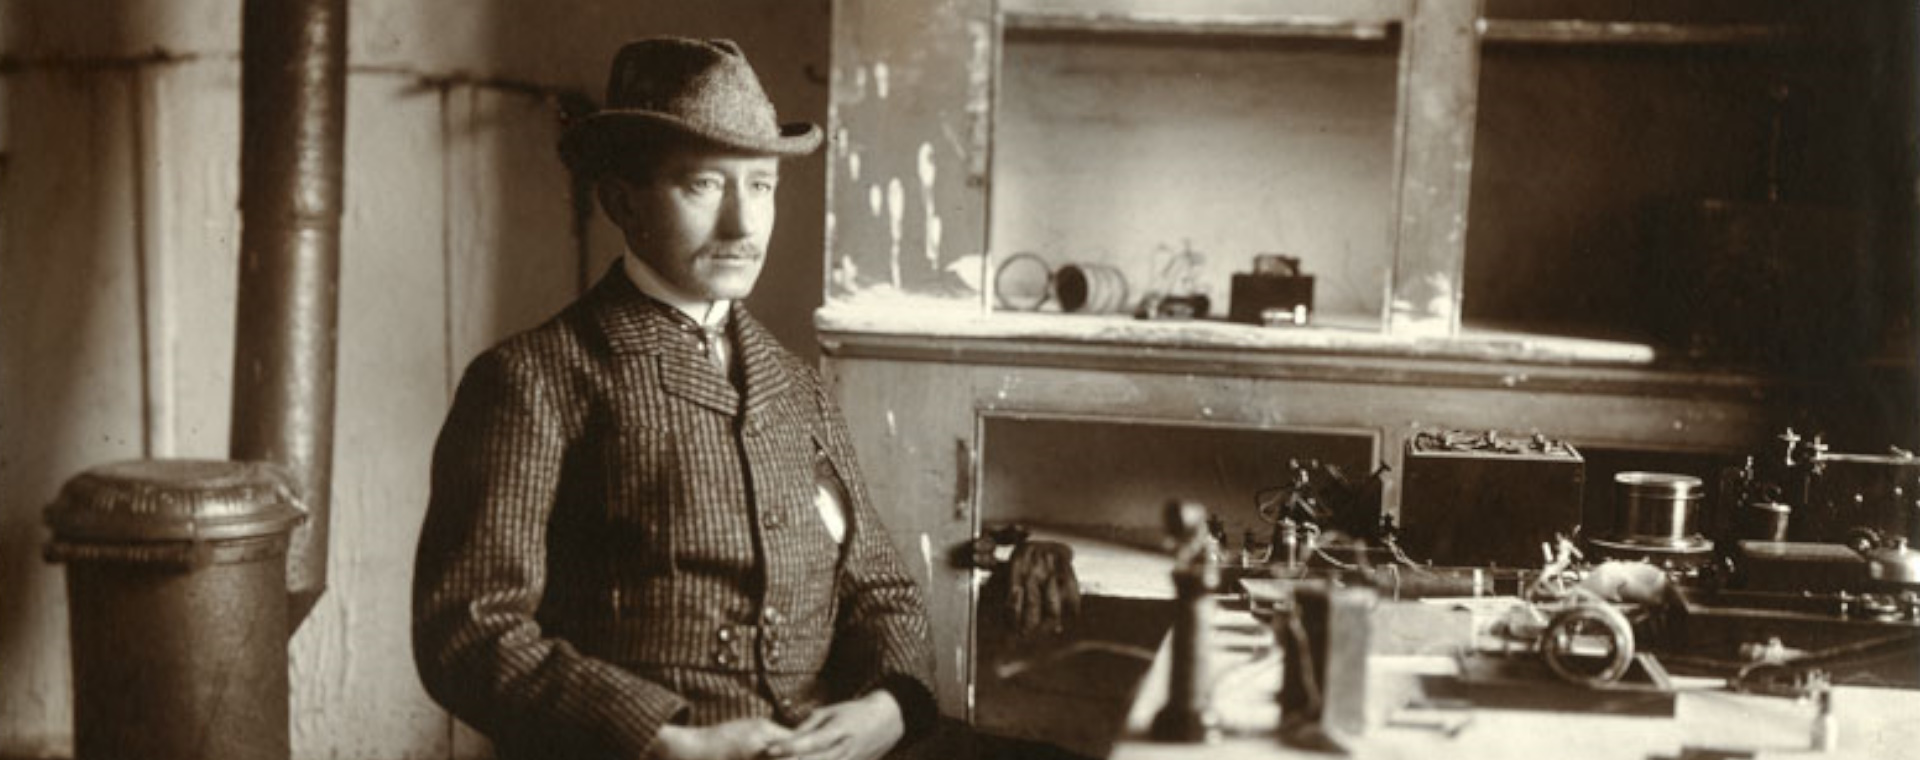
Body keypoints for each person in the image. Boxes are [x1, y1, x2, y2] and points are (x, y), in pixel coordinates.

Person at [411, 37, 936, 760]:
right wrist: (663, 739)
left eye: (760, 186)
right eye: (702, 185)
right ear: (622, 201)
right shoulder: (534, 378)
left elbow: (881, 590)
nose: (743, 225)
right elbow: (469, 630)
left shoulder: (797, 386)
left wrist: (889, 704)